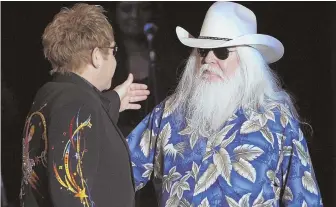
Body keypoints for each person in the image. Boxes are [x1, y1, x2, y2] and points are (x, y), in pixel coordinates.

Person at [127, 2, 323, 206]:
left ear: (248, 62)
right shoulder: (168, 114)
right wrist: (104, 105)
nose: (208, 59)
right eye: (202, 51)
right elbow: (116, 173)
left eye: (221, 52)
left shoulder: (277, 121)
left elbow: (304, 198)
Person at [19, 3, 149, 207]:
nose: (115, 60)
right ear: (97, 56)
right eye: (113, 50)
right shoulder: (77, 104)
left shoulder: (49, 94)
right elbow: (70, 193)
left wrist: (113, 100)